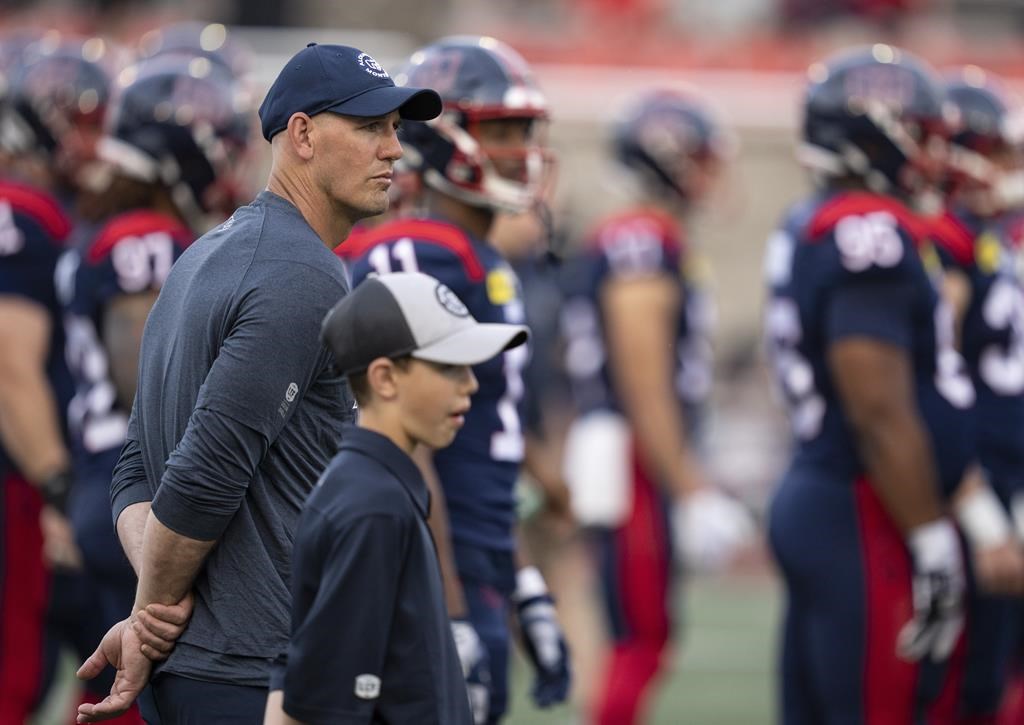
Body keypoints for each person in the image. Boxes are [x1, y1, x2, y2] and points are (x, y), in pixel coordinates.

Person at [74, 42, 442, 723]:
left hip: (204, 666)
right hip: (253, 672)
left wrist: (151, 611)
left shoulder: (202, 253)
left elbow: (137, 466)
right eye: (369, 127)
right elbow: (203, 472)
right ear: (301, 134)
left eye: (395, 128)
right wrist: (151, 609)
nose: (394, 149)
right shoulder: (300, 272)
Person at [342, 35, 571, 724]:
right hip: (430, 571)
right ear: (439, 139)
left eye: (523, 131)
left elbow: (478, 437)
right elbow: (404, 444)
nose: (519, 150)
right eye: (499, 130)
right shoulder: (423, 252)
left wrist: (522, 578)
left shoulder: (482, 258)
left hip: (478, 561)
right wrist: (450, 607)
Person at [763, 45, 985, 723]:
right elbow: (878, 405)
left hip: (830, 493)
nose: (931, 154)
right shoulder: (867, 229)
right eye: (919, 135)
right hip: (862, 508)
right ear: (872, 136)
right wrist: (931, 536)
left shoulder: (821, 219)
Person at [558, 88, 755, 724]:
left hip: (630, 453)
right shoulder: (640, 237)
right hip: (633, 457)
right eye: (699, 157)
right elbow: (644, 378)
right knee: (641, 638)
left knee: (641, 634)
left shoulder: (648, 235)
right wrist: (690, 485)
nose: (710, 172)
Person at [265, 270, 528, 725]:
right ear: (385, 378)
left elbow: (294, 676)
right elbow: (321, 709)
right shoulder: (374, 507)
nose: (470, 385)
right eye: (449, 366)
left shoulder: (372, 487)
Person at [0, 33, 112, 723]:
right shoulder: (23, 211)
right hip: (18, 484)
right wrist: (58, 484)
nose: (97, 145)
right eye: (85, 124)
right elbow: (10, 365)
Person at [926, 67, 1024, 723]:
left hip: (1008, 470)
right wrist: (979, 504)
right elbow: (938, 373)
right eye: (1002, 152)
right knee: (967, 680)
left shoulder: (993, 238)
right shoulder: (950, 240)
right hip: (976, 476)